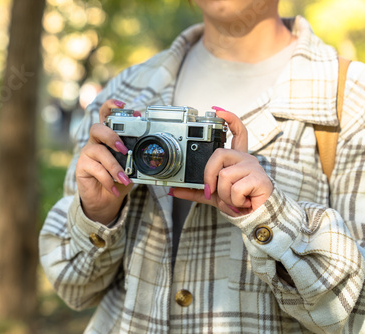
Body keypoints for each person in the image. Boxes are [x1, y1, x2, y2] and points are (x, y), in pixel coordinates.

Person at [39, 0, 365, 332]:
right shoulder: (125, 92)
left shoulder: (352, 102)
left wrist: (272, 218)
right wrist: (97, 214)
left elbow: (357, 312)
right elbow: (73, 288)